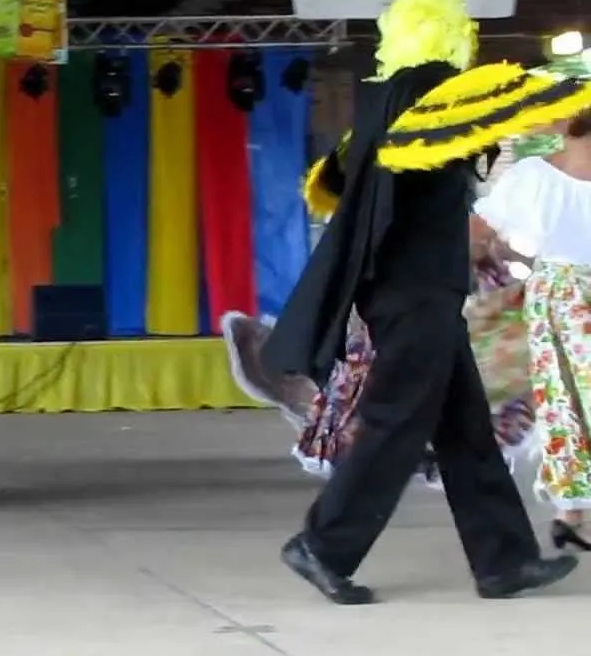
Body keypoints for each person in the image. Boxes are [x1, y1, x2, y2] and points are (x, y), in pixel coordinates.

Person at [260, 0, 577, 604]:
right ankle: (323, 545)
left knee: (463, 428)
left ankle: (503, 560)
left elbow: (364, 185)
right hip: (417, 289)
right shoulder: (437, 92)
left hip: (410, 286)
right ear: (451, 36)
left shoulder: (386, 104)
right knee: (395, 423)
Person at [223, 152, 537, 490]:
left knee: (419, 379)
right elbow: (470, 237)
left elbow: (474, 239)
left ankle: (385, 443)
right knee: (389, 378)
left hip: (427, 295)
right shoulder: (412, 187)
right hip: (413, 293)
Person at [472, 108, 591, 551]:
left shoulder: (532, 177)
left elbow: (481, 232)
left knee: (562, 401)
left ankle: (570, 513)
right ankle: (569, 511)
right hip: (564, 298)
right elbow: (482, 232)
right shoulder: (532, 176)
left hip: (555, 295)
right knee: (565, 401)